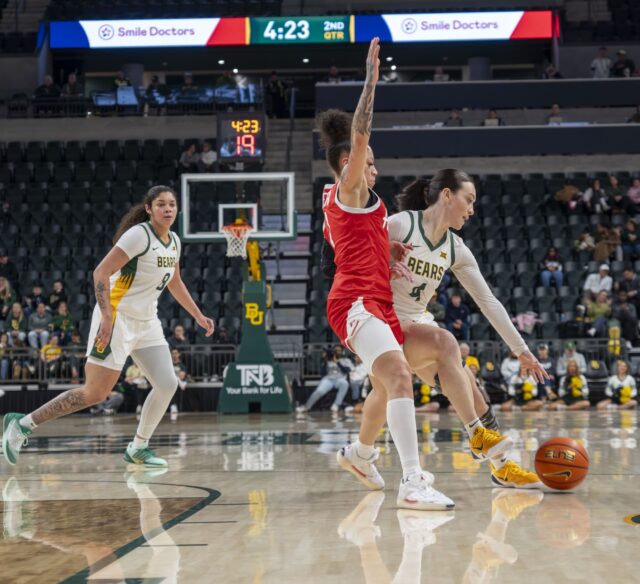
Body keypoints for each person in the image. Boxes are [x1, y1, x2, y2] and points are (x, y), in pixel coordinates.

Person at [321, 39, 504, 510]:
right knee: (400, 376)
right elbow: (359, 137)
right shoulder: (351, 186)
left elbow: (349, 243)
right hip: (357, 303)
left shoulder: (343, 202)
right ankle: (412, 482)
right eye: (369, 162)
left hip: (374, 302)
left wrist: (388, 246)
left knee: (398, 376)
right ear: (350, 166)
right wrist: (371, 83)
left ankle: (360, 454)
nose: (374, 168)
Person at [331, 172, 543, 491]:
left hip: (414, 322)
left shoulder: (455, 247)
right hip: (378, 319)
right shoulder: (402, 224)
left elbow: (488, 301)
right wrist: (386, 258)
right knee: (445, 345)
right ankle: (477, 436)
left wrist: (521, 350)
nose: (472, 209)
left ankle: (360, 453)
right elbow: (354, 253)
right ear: (447, 195)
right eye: (468, 200)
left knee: (392, 390)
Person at [2, 185, 215, 468]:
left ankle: (139, 447)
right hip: (117, 317)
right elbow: (101, 272)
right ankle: (22, 424)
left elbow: (174, 282)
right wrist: (106, 316)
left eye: (172, 204)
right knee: (95, 393)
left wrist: (198, 315)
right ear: (149, 209)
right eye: (161, 204)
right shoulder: (139, 235)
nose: (168, 209)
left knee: (167, 383)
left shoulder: (174, 240)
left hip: (147, 321)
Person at [296, 346, 353, 413]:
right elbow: (323, 373)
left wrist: (337, 362)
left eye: (339, 350)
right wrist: (325, 361)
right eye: (335, 350)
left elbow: (347, 371)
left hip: (340, 379)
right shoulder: (327, 360)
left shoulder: (346, 360)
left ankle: (336, 405)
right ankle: (306, 407)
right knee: (319, 391)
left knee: (345, 383)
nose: (337, 352)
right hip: (328, 380)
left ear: (342, 352)